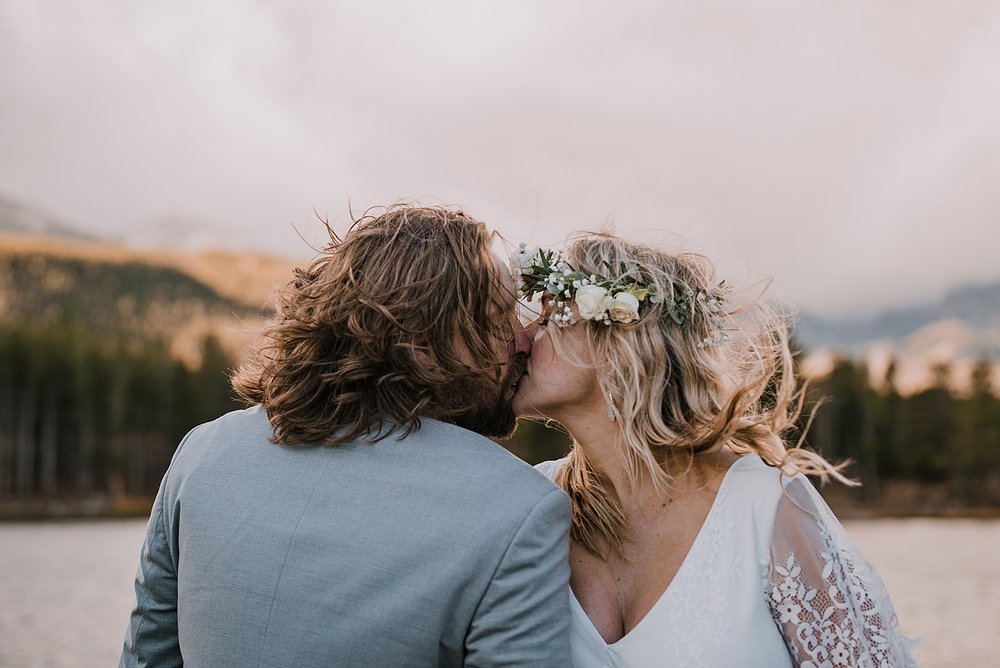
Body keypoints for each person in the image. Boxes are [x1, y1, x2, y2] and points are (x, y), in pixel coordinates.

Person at [119, 205, 572, 667]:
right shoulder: (519, 509)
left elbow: (144, 659)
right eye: (501, 320)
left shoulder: (203, 453)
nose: (522, 341)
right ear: (426, 341)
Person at [510, 233, 917, 667]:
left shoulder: (766, 508)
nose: (525, 336)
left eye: (553, 319)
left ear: (619, 347)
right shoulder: (529, 505)